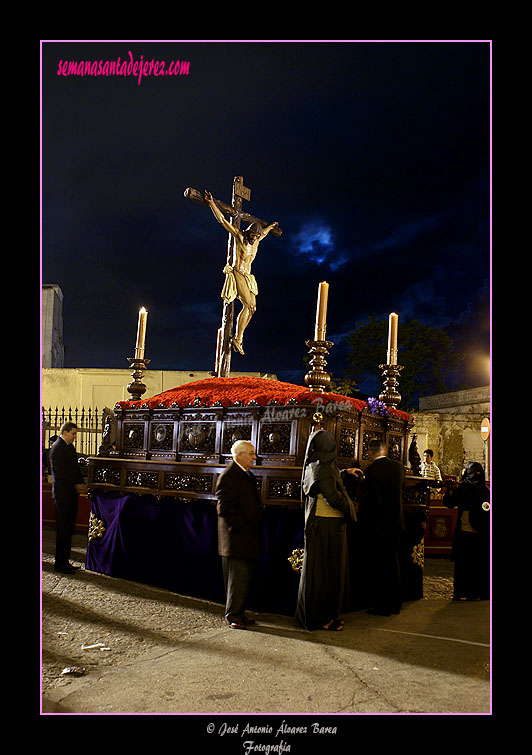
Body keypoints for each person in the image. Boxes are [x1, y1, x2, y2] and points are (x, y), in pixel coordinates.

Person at [296, 430, 357, 631]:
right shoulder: (322, 468)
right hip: (328, 526)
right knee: (327, 573)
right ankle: (323, 618)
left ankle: (321, 615)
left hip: (321, 524)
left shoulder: (314, 466)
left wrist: (343, 473)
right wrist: (350, 508)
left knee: (320, 571)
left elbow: (325, 480)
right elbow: (331, 495)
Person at [204, 189, 278, 355]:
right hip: (238, 273)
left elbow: (265, 232)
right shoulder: (240, 236)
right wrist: (211, 204)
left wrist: (271, 226)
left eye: (257, 235)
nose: (255, 237)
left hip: (248, 276)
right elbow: (223, 221)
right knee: (249, 305)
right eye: (253, 234)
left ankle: (238, 338)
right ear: (249, 231)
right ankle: (238, 339)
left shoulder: (257, 240)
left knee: (253, 309)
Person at [215, 440, 263, 629]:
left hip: (248, 538)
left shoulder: (247, 475)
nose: (254, 457)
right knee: (237, 581)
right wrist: (243, 527)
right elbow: (225, 510)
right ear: (239, 455)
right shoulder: (228, 477)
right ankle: (233, 616)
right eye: (250, 453)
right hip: (236, 539)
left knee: (244, 581)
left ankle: (240, 613)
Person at [359, 437, 405, 616]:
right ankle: (396, 603)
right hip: (397, 522)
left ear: (370, 452)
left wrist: (360, 507)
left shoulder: (372, 471)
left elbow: (374, 500)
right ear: (384, 450)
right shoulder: (398, 467)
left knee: (380, 566)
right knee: (393, 562)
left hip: (379, 525)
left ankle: (383, 606)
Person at [442, 461, 490, 601]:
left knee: (464, 563)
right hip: (482, 532)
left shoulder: (463, 487)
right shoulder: (485, 489)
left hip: (465, 530)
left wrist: (451, 491)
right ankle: (481, 592)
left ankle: (462, 591)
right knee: (480, 563)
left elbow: (449, 503)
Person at [49, 422, 87, 574]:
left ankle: (65, 561)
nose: (75, 437)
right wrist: (75, 485)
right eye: (73, 434)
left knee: (69, 529)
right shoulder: (57, 448)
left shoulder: (68, 447)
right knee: (63, 529)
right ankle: (59, 564)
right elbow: (61, 474)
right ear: (64, 432)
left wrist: (80, 483)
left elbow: (75, 469)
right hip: (63, 494)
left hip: (71, 493)